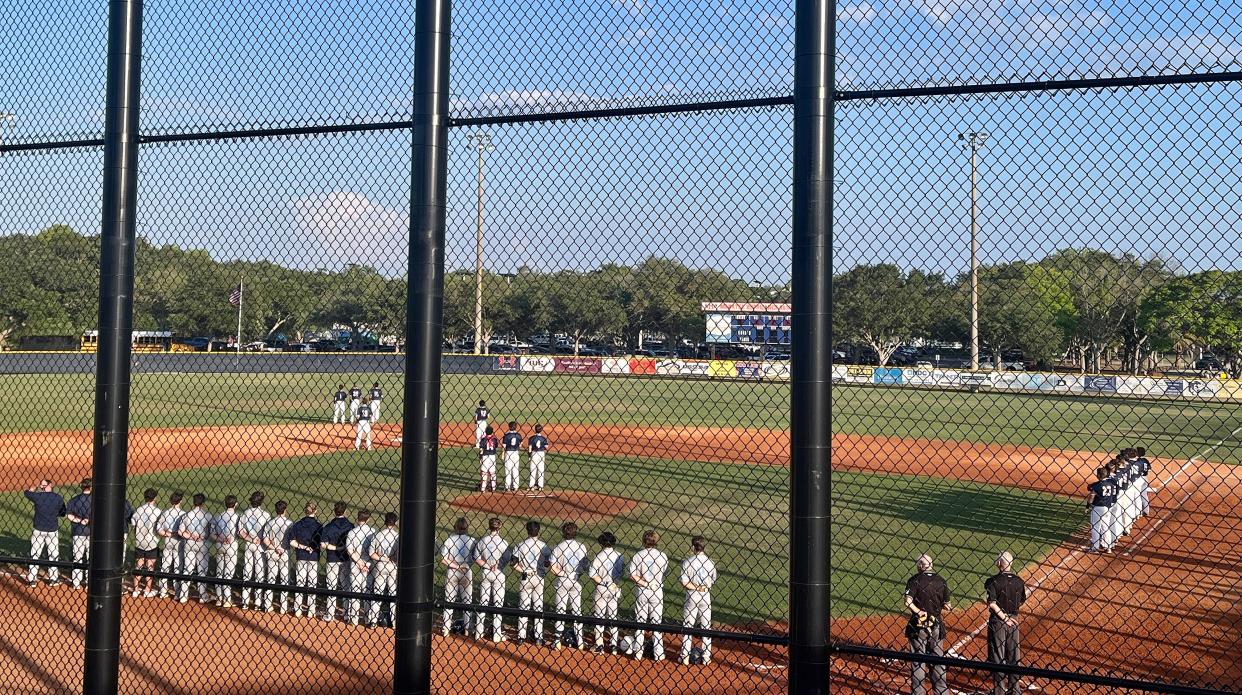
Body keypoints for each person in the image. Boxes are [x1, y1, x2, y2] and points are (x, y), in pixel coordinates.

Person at [904, 553, 952, 695]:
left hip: (918, 624)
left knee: (918, 660)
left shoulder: (914, 580)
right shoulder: (941, 581)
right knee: (937, 659)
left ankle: (918, 693)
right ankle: (941, 692)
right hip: (936, 623)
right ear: (932, 565)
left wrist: (919, 612)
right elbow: (948, 606)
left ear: (920, 566)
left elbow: (908, 602)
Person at [985, 551, 1027, 695]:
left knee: (998, 656)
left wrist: (1004, 617)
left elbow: (992, 603)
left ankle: (999, 691)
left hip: (998, 622)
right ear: (1011, 563)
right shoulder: (1019, 581)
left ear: (998, 564)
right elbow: (1021, 600)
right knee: (1014, 656)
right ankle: (1015, 690)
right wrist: (1010, 615)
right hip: (1014, 621)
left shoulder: (992, 581)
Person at [628, 530, 669, 661]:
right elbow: (665, 572)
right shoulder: (662, 556)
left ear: (643, 541)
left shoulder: (638, 555)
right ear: (656, 541)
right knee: (656, 622)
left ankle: (638, 652)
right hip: (657, 591)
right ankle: (658, 654)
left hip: (642, 591)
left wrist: (645, 583)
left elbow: (633, 575)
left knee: (640, 621)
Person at [548, 521, 589, 650]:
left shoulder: (558, 547)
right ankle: (580, 640)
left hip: (562, 581)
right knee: (577, 611)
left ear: (563, 533)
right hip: (576, 581)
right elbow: (585, 566)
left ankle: (557, 640)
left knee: (560, 610)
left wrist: (563, 573)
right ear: (575, 533)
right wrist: (576, 573)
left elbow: (553, 568)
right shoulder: (581, 547)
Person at [679, 536, 717, 665]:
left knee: (688, 625)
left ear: (693, 547)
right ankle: (706, 657)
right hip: (705, 595)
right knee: (706, 626)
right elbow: (713, 580)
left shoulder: (687, 562)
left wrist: (695, 587)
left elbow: (684, 582)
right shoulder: (710, 562)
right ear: (704, 547)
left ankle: (684, 656)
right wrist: (703, 587)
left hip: (692, 595)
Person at [511, 520, 550, 643]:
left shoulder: (520, 545)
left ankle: (521, 637)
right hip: (539, 578)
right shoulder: (544, 546)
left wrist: (523, 570)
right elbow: (548, 563)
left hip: (525, 577)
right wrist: (542, 567)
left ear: (527, 530)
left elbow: (513, 564)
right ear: (538, 531)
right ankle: (538, 637)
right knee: (538, 607)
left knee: (524, 607)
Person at [473, 517, 510, 641]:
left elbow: (476, 558)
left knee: (483, 602)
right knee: (498, 604)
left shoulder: (482, 541)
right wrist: (497, 566)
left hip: (485, 572)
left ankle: (478, 632)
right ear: (499, 527)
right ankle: (496, 634)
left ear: (489, 527)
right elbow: (507, 558)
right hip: (498, 573)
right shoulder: (503, 543)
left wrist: (487, 565)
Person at [24, 479, 66, 587]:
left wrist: (32, 489)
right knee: (53, 555)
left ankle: (32, 580)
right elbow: (63, 513)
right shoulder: (58, 498)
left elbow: (26, 493)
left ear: (42, 487)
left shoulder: (37, 497)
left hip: (38, 530)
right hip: (52, 530)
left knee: (35, 554)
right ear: (50, 485)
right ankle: (53, 579)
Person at [589, 531, 625, 654]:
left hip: (602, 587)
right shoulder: (620, 556)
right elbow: (621, 574)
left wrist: (603, 583)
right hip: (614, 587)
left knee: (599, 616)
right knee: (613, 616)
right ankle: (614, 645)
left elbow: (592, 575)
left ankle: (599, 645)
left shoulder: (599, 556)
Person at [285, 502, 323, 618]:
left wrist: (303, 547)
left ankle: (297, 610)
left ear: (304, 511)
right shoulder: (319, 526)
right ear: (315, 511)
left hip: (301, 556)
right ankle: (311, 610)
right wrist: (312, 548)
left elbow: (292, 541)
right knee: (312, 583)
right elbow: (321, 544)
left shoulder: (297, 524)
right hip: (313, 557)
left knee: (300, 582)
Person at [320, 501, 355, 621]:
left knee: (331, 586)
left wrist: (335, 548)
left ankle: (329, 615)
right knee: (346, 586)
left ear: (334, 511)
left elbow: (323, 545)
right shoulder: (350, 526)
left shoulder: (328, 526)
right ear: (345, 511)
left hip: (331, 559)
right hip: (345, 559)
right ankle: (346, 614)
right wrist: (342, 548)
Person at [440, 517, 475, 636]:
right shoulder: (472, 540)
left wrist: (455, 566)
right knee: (467, 601)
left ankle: (445, 629)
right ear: (466, 528)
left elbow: (444, 559)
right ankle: (467, 629)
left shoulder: (450, 540)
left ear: (455, 527)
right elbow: (476, 558)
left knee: (449, 600)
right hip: (466, 571)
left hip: (452, 571)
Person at [237, 491, 271, 610]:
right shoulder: (266, 515)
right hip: (260, 545)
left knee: (247, 571)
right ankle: (257, 603)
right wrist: (259, 540)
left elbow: (240, 532)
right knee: (259, 573)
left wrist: (251, 539)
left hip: (249, 544)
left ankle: (245, 602)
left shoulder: (245, 513)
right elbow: (268, 533)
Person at [177, 493, 212, 604]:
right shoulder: (207, 515)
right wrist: (202, 536)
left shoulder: (187, 515)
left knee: (188, 569)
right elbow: (211, 533)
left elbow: (180, 532)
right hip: (203, 544)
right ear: (203, 503)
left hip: (189, 543)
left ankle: (183, 596)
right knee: (202, 571)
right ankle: (203, 596)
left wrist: (191, 536)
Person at [368, 512, 399, 628]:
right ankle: (394, 621)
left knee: (377, 592)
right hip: (393, 565)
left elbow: (371, 554)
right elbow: (400, 555)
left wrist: (382, 558)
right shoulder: (398, 537)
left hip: (381, 565)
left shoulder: (378, 535)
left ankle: (373, 621)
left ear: (385, 521)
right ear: (395, 523)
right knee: (393, 592)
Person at [262, 500, 294, 613]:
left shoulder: (270, 523)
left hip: (271, 552)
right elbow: (292, 540)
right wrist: (281, 548)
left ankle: (267, 605)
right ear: (285, 510)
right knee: (284, 580)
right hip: (284, 552)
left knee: (270, 578)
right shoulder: (290, 523)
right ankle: (283, 608)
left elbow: (265, 540)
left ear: (276, 510)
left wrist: (274, 547)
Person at [344, 509, 375, 626]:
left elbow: (349, 550)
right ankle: (368, 619)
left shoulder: (352, 532)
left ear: (358, 518)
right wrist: (365, 563)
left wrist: (358, 562)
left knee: (355, 591)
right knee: (367, 591)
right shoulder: (372, 531)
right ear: (368, 519)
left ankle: (354, 619)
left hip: (355, 564)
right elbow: (374, 550)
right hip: (368, 564)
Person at [130, 488, 162, 598]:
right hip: (152, 542)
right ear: (155, 498)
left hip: (139, 541)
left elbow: (133, 525)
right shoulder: (158, 512)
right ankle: (147, 590)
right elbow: (159, 528)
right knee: (150, 567)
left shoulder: (138, 510)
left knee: (138, 565)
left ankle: (135, 590)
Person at [211, 495, 241, 607]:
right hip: (231, 546)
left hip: (219, 545)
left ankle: (219, 599)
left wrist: (221, 539)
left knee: (219, 571)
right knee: (228, 572)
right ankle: (227, 599)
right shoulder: (237, 517)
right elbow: (240, 533)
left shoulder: (219, 517)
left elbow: (213, 534)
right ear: (236, 504)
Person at [155, 492, 186, 598]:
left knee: (165, 565)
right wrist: (175, 534)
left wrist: (168, 534)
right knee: (178, 566)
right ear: (181, 501)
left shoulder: (165, 513)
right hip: (179, 541)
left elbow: (158, 529)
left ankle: (163, 591)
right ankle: (177, 593)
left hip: (168, 540)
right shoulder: (183, 514)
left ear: (170, 501)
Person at [65, 478, 92, 590]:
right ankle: (89, 583)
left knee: (77, 557)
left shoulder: (74, 500)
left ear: (81, 487)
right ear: (91, 487)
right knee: (91, 558)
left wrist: (80, 521)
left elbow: (68, 515)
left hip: (78, 532)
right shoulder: (97, 500)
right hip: (92, 533)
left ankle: (76, 583)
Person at [1087, 466, 1118, 553]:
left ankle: (1095, 547)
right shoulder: (1111, 484)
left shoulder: (1098, 486)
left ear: (1098, 476)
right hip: (1107, 508)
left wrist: (1088, 505)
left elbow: (1092, 496)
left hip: (1098, 508)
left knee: (1095, 527)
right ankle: (1108, 547)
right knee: (1105, 527)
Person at [502, 422, 523, 492]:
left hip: (508, 453)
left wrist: (503, 455)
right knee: (515, 470)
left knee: (508, 470)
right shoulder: (519, 435)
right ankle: (516, 486)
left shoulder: (506, 435)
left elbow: (504, 446)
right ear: (516, 427)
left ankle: (507, 487)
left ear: (509, 427)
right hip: (516, 453)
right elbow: (520, 445)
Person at [528, 424, 549, 491]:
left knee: (533, 470)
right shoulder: (544, 438)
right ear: (541, 430)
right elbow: (546, 447)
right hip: (541, 454)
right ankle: (540, 486)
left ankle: (531, 486)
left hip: (534, 453)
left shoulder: (531, 438)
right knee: (541, 470)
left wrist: (529, 456)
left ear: (535, 430)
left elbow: (530, 448)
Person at [478, 426, 499, 492]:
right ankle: (493, 488)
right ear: (492, 432)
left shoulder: (483, 439)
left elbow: (481, 449)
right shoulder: (494, 439)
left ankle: (483, 489)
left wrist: (480, 457)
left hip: (485, 456)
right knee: (492, 473)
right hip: (492, 456)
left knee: (484, 472)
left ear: (485, 432)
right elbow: (496, 446)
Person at [1135, 446, 1152, 517]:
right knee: (1144, 495)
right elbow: (1150, 469)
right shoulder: (1145, 460)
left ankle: (1138, 512)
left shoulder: (1137, 461)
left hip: (1139, 479)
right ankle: (1146, 511)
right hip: (1145, 478)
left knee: (1137, 495)